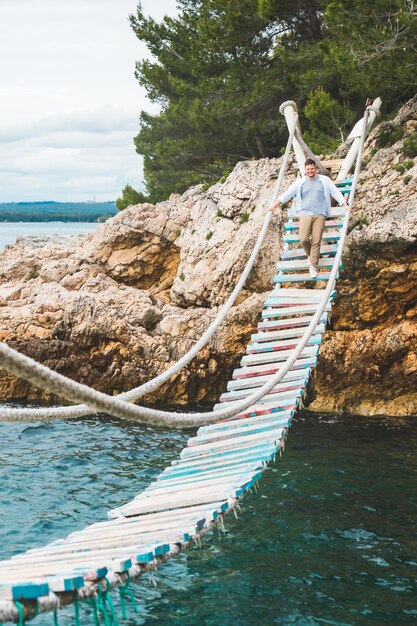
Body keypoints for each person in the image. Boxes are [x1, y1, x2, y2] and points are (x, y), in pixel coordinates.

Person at [268, 158, 350, 278]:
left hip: (320, 213)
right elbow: (287, 194)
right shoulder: (300, 182)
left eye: (312, 169)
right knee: (303, 239)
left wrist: (345, 204)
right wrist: (273, 206)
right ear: (305, 170)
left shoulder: (325, 180)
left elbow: (335, 192)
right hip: (305, 213)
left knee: (316, 240)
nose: (310, 171)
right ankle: (310, 255)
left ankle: (312, 265)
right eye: (308, 169)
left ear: (315, 168)